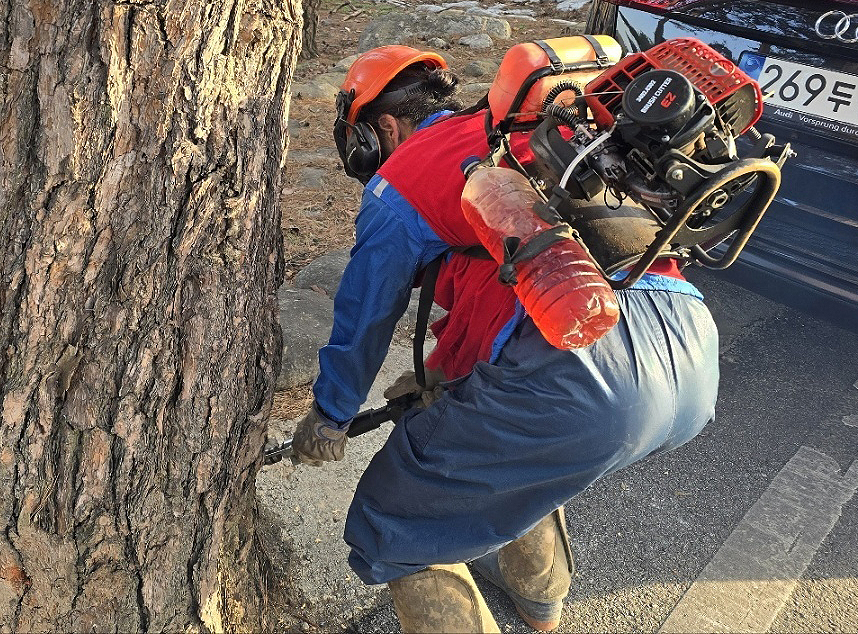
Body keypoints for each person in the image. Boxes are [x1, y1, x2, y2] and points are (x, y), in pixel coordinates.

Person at [289, 45, 720, 633]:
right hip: (688, 346)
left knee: (394, 516)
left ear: (381, 126)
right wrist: (441, 374)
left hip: (580, 379)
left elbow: (365, 315)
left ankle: (454, 566)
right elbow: (505, 292)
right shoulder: (522, 137)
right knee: (513, 463)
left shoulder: (403, 181)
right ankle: (540, 604)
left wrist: (330, 414)